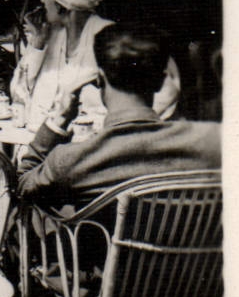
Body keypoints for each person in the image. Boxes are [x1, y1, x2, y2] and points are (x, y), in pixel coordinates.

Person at [18, 23, 220, 203]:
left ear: (99, 80)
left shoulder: (71, 160)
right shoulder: (210, 143)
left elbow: (23, 185)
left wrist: (58, 121)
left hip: (101, 235)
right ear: (160, 81)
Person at [10, 0, 180, 148]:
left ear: (61, 5)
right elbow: (18, 94)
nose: (42, 0)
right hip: (43, 142)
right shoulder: (49, 36)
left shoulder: (112, 37)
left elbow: (168, 87)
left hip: (95, 147)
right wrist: (37, 45)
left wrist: (113, 130)